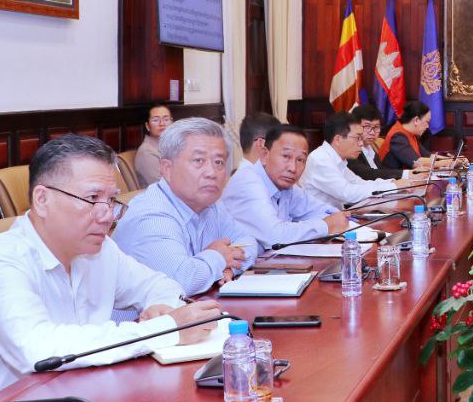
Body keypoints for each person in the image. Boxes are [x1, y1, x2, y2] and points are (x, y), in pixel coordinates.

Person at [0, 135, 222, 402]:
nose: (107, 215)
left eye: (111, 200)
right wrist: (164, 329)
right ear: (42, 199)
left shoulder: (100, 251)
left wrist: (160, 307)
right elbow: (39, 352)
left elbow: (161, 285)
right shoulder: (4, 261)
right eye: (92, 198)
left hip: (72, 399)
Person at [114, 118, 259, 299]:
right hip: (147, 317)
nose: (211, 173)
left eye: (219, 162)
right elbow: (182, 281)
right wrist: (217, 257)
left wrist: (228, 268)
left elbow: (248, 242)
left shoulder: (211, 205)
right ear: (167, 168)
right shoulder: (151, 214)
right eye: (199, 160)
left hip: (190, 310)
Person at [222, 124, 348, 250]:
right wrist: (325, 225)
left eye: (300, 160)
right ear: (265, 155)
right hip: (238, 261)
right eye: (286, 156)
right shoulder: (247, 182)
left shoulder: (286, 186)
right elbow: (275, 236)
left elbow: (325, 212)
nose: (293, 168)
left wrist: (335, 219)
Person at [300, 112, 414, 208]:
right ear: (338, 139)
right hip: (322, 223)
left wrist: (393, 183)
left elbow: (360, 183)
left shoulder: (336, 159)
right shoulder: (320, 160)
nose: (361, 144)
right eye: (358, 138)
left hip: (337, 218)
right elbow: (348, 193)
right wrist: (393, 187)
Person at [379, 100, 454, 171]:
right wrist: (447, 163)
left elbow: (428, 156)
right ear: (416, 120)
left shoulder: (410, 133)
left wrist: (451, 160)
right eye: (427, 122)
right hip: (393, 179)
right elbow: (416, 162)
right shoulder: (397, 136)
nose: (427, 126)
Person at [349, 104, 410, 181]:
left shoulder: (370, 147)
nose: (372, 132)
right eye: (367, 127)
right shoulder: (350, 149)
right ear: (355, 126)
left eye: (376, 127)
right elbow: (368, 174)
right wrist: (405, 174)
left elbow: (381, 171)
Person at [132, 104, 172, 187]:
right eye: (156, 120)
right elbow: (162, 186)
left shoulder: (173, 145)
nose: (162, 123)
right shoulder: (146, 152)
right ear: (147, 126)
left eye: (166, 119)